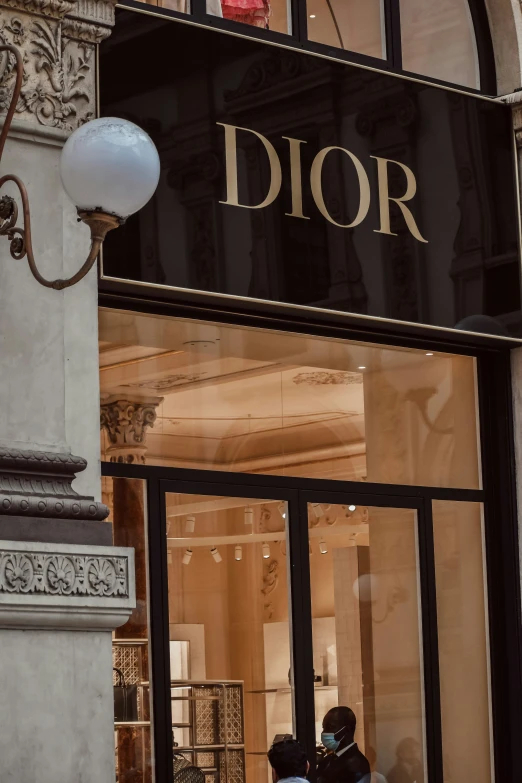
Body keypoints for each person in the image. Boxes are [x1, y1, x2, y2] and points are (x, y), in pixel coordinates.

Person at [317, 707, 370, 783]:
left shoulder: (357, 762)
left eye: (330, 727)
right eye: (324, 728)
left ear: (347, 730)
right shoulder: (328, 760)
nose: (324, 733)